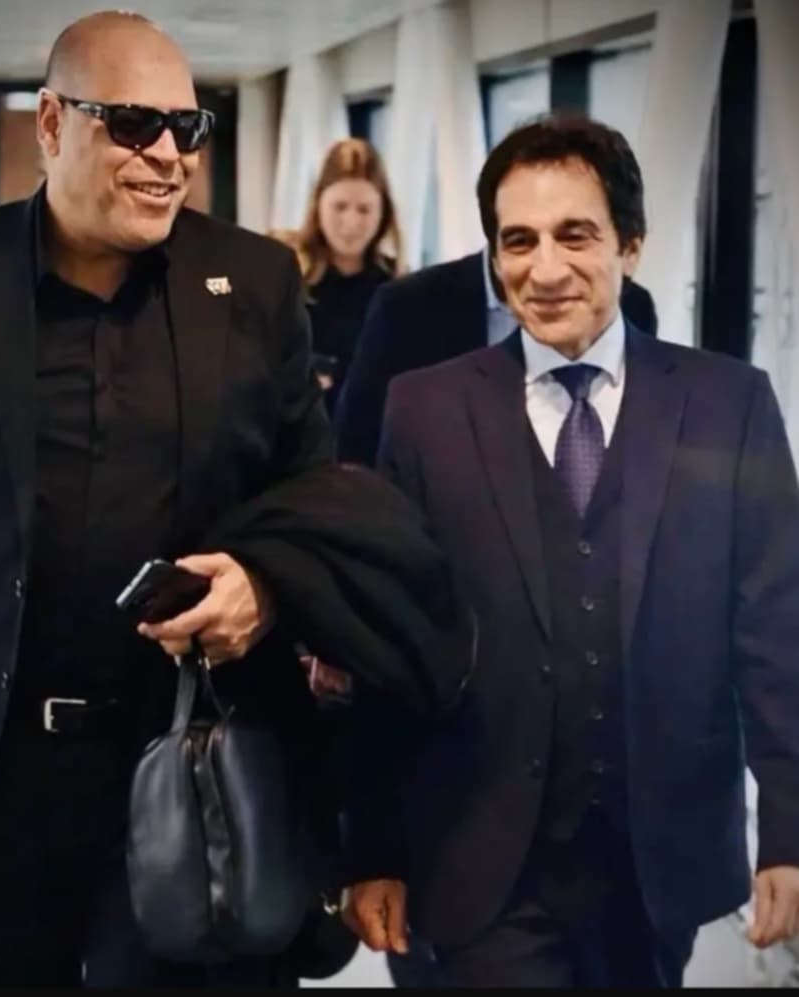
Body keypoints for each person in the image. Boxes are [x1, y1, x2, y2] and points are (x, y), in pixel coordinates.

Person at [0, 11, 335, 988]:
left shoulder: (253, 281)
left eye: (187, 128)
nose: (167, 156)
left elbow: (312, 496)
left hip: (190, 758)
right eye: (133, 124)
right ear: (52, 124)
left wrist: (265, 588)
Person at [342, 112, 799, 987]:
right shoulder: (426, 409)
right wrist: (373, 846)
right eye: (518, 241)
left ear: (631, 245)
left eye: (575, 235)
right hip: (479, 859)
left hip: (654, 865)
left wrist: (787, 829)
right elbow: (391, 646)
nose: (544, 269)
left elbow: (776, 635)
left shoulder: (729, 405)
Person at [334, 206, 656, 468]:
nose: (548, 267)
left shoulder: (630, 307)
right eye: (524, 238)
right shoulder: (406, 306)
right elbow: (357, 446)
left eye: (572, 236)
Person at [275, 138, 405, 418]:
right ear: (318, 204)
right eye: (340, 206)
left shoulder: (397, 287)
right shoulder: (283, 271)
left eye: (364, 209)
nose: (351, 223)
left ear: (383, 212)